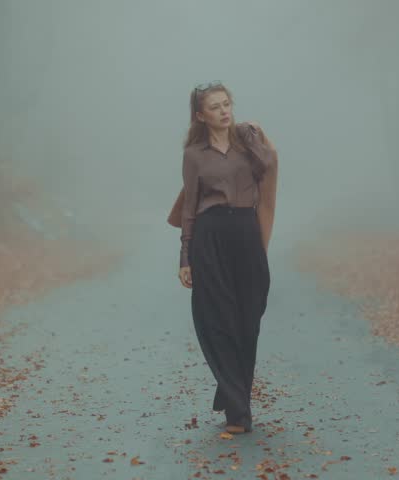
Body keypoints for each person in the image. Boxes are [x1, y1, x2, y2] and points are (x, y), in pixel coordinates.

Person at [170, 81, 278, 434]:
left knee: (248, 321)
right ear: (201, 116)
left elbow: (269, 168)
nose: (224, 110)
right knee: (217, 321)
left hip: (246, 233)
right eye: (215, 107)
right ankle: (238, 412)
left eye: (227, 103)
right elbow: (189, 209)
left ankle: (232, 391)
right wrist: (186, 256)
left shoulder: (248, 144)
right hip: (210, 235)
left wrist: (260, 136)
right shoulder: (194, 156)